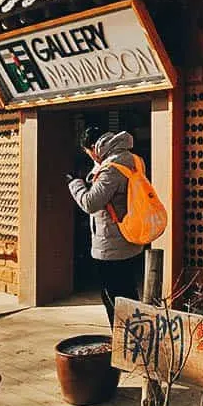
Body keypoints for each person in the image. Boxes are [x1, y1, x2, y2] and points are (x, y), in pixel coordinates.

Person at [67, 127, 145, 326]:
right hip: (131, 235)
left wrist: (75, 183)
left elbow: (90, 203)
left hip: (111, 244)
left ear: (94, 148)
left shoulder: (111, 168)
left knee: (113, 299)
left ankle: (124, 344)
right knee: (128, 294)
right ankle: (135, 342)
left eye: (88, 153)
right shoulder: (134, 160)